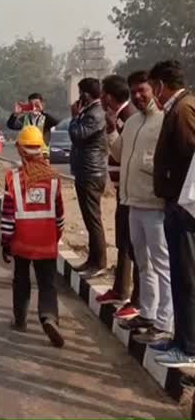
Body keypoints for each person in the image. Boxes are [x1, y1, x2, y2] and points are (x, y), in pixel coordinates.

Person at [107, 70, 171, 343]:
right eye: (134, 92)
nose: (138, 96)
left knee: (162, 264)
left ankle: (165, 321)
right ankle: (147, 313)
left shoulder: (165, 122)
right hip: (132, 202)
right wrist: (111, 131)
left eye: (142, 90)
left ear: (154, 89)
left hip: (156, 205)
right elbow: (119, 153)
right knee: (143, 263)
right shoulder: (132, 123)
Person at [1, 126, 66, 347]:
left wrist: (5, 242)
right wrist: (55, 237)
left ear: (20, 150)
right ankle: (49, 317)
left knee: (21, 281)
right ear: (41, 149)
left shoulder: (12, 178)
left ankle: (20, 320)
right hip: (47, 242)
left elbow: (8, 216)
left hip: (21, 242)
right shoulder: (54, 179)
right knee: (47, 283)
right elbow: (60, 215)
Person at [150, 60, 195, 368]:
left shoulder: (183, 112)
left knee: (187, 277)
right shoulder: (178, 110)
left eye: (154, 88)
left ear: (160, 86)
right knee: (179, 275)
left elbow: (190, 156)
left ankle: (189, 345)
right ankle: (180, 338)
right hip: (177, 204)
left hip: (185, 207)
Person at [96, 74, 141, 320]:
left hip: (132, 193)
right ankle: (120, 289)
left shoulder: (128, 118)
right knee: (123, 243)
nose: (100, 99)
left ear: (109, 97)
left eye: (103, 95)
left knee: (135, 248)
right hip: (122, 192)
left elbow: (126, 154)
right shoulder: (120, 117)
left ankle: (137, 299)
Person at [69, 77, 109, 277]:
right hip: (86, 170)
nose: (78, 97)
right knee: (88, 218)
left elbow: (78, 135)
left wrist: (74, 117)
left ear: (86, 93)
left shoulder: (95, 113)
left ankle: (99, 262)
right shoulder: (90, 112)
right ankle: (92, 260)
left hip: (92, 172)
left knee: (93, 220)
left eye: (80, 92)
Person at [7, 93, 60, 157]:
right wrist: (15, 114)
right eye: (31, 105)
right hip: (28, 153)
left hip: (42, 154)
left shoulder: (46, 118)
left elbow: (56, 122)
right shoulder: (25, 119)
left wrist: (42, 111)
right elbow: (11, 125)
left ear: (42, 104)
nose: (34, 107)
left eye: (37, 105)